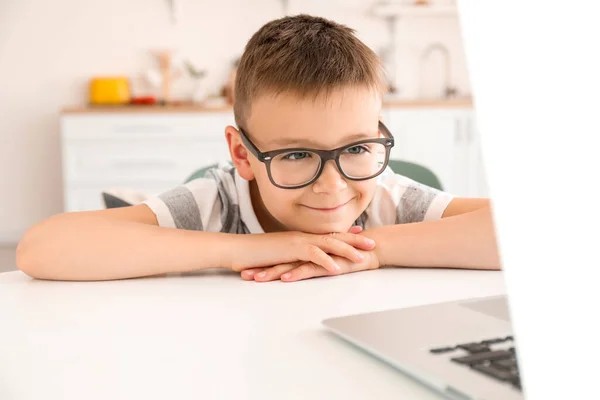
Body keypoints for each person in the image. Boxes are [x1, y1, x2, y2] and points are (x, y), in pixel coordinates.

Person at [16, 14, 500, 282]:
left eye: (356, 149)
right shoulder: (214, 201)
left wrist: (371, 252)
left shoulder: (389, 198)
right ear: (243, 155)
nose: (334, 185)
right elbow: (41, 249)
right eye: (294, 155)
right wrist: (253, 248)